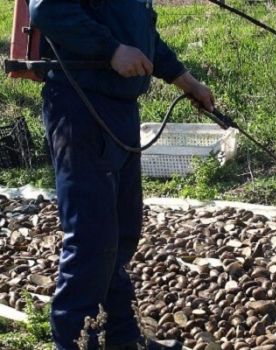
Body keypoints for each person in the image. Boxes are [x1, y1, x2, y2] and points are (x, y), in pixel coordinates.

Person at [29, 0, 215, 349]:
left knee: (122, 232)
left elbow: (143, 38)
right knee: (91, 238)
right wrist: (111, 50)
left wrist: (186, 81)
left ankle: (122, 340)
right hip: (80, 107)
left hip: (120, 110)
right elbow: (48, 9)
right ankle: (74, 342)